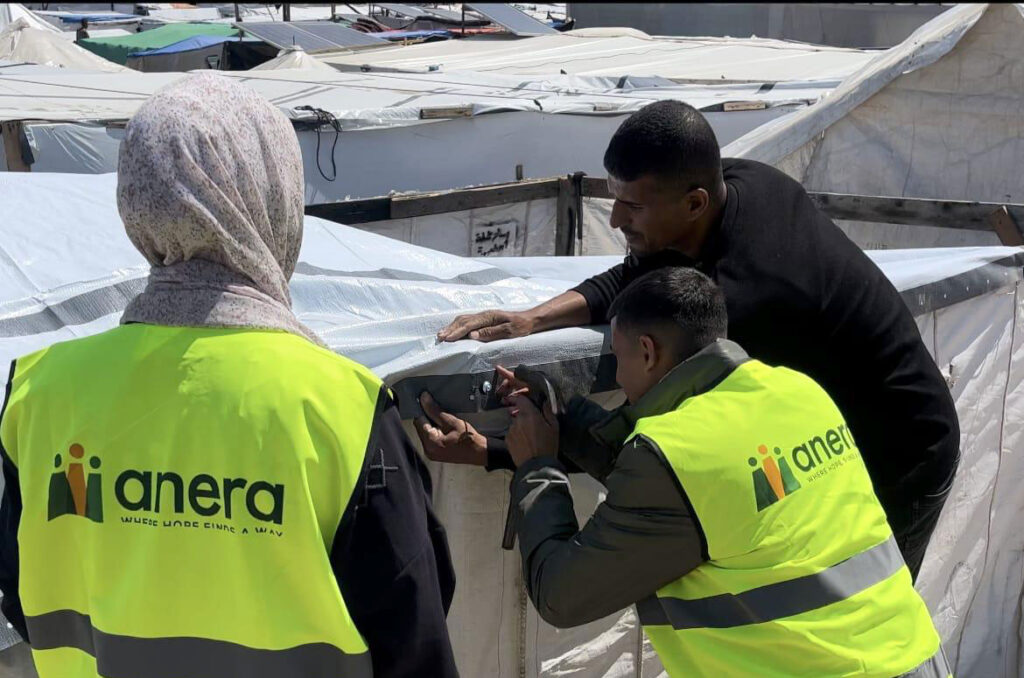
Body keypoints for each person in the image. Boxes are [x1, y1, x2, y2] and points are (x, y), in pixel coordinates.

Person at [0, 73, 457, 678]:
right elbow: (414, 642)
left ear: (139, 201)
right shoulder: (338, 411)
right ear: (268, 200)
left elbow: (23, 593)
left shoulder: (40, 393)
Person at [435, 100, 959, 577]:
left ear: (694, 203)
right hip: (832, 438)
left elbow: (651, 446)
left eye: (633, 207)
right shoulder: (742, 182)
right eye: (614, 199)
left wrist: (508, 451)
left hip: (900, 450)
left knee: (863, 609)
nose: (616, 219)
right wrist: (533, 320)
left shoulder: (746, 303)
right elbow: (634, 275)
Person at [431, 267, 948, 677]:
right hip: (912, 654)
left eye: (617, 357)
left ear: (649, 351)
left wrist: (538, 468)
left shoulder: (673, 456)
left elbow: (561, 593)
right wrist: (556, 420)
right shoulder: (794, 390)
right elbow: (696, 495)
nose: (618, 372)